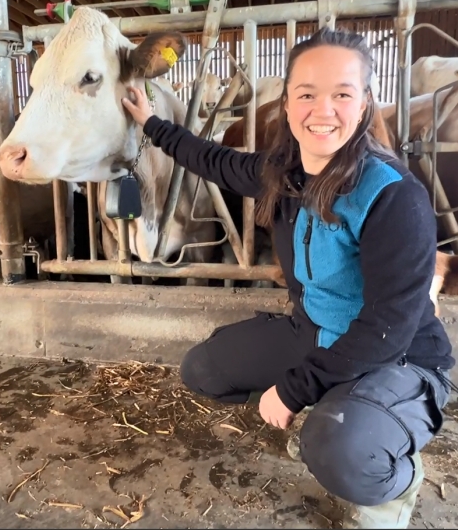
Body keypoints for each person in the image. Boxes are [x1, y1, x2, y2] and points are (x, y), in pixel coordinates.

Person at [121, 26, 457, 530]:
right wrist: (150, 123)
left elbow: (390, 326)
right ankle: (340, 405)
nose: (323, 110)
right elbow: (212, 160)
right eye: (307, 94)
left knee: (334, 444)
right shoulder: (282, 173)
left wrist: (296, 390)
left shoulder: (392, 195)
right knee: (203, 370)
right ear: (288, 103)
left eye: (342, 94)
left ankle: (391, 481)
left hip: (400, 358)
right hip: (314, 334)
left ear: (364, 104)